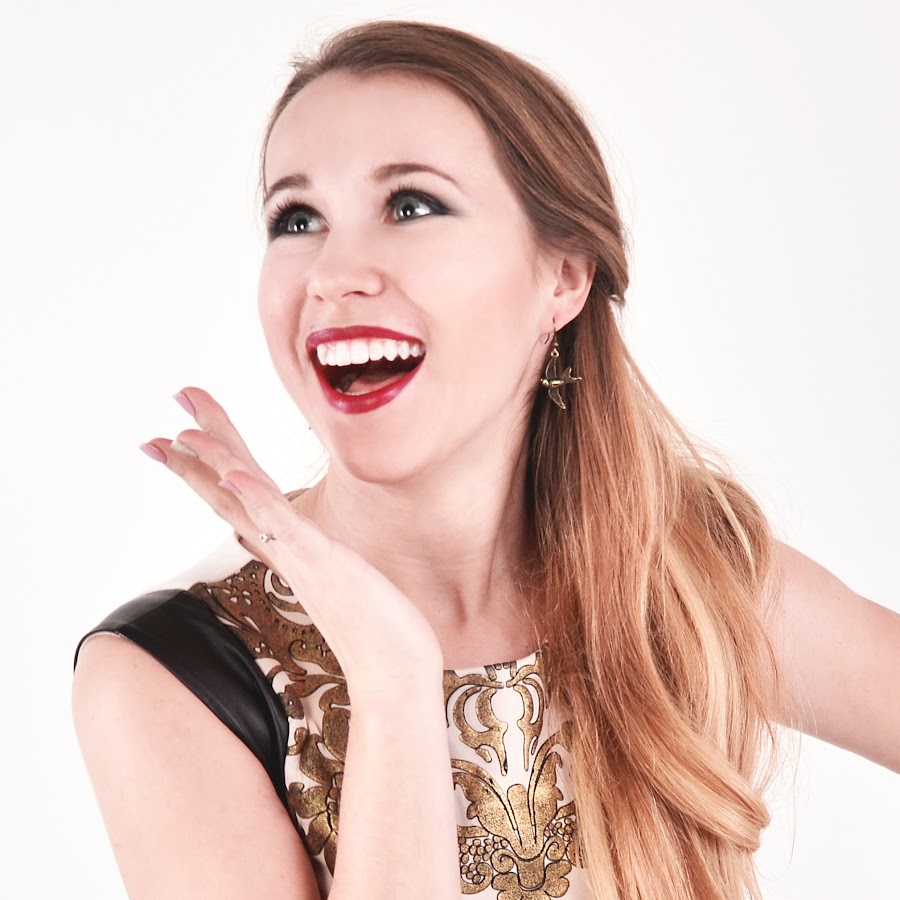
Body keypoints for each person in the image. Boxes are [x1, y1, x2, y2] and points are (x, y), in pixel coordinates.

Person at [71, 20, 900, 900]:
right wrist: (392, 679)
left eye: (411, 206)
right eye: (297, 218)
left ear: (563, 278)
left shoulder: (686, 575)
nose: (333, 272)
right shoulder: (173, 676)